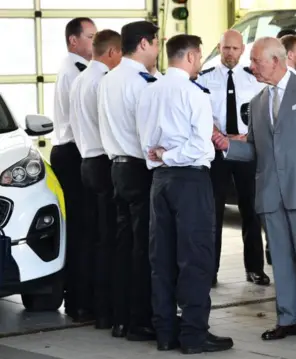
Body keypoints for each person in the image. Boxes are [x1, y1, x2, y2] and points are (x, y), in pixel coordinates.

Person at [212, 37, 296, 342]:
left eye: (255, 60)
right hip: (271, 192)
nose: (250, 65)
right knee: (280, 259)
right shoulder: (257, 102)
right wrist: (228, 145)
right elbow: (256, 149)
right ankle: (288, 319)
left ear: (276, 60)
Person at [138, 34, 234, 354]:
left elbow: (147, 147)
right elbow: (200, 146)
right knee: (195, 259)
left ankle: (165, 332)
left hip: (159, 183)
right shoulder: (195, 93)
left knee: (161, 258)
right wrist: (170, 155)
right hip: (189, 181)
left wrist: (162, 156)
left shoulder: (149, 91)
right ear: (192, 57)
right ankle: (193, 334)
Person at [97, 20, 159, 340]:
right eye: (157, 42)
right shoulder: (143, 80)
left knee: (122, 246)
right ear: (145, 44)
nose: (158, 49)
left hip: (116, 168)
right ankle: (140, 320)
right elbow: (149, 130)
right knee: (143, 248)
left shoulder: (109, 78)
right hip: (140, 167)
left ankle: (120, 318)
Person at [196, 29, 269, 287]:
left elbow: (264, 115)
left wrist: (246, 136)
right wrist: (217, 136)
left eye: (235, 49)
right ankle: (210, 270)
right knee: (212, 211)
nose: (230, 53)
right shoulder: (205, 79)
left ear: (243, 50)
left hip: (246, 149)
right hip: (216, 151)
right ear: (220, 48)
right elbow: (200, 113)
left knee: (251, 209)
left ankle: (255, 268)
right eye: (226, 48)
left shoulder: (255, 80)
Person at [68, 29, 122, 325]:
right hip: (103, 161)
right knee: (108, 239)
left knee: (92, 236)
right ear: (112, 52)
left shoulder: (79, 80)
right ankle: (105, 310)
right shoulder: (103, 81)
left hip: (85, 159)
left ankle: (86, 304)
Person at [50, 17, 96, 323]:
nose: (95, 42)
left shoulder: (80, 70)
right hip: (72, 153)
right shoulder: (73, 73)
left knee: (86, 228)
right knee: (81, 229)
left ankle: (81, 296)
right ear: (73, 41)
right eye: (90, 37)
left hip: (74, 151)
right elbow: (80, 125)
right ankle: (78, 300)